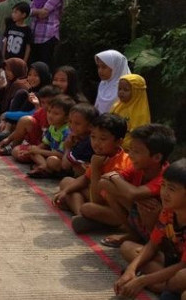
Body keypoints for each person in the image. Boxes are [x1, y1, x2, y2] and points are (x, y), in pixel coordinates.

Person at [91, 124, 175, 248]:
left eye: (136, 152)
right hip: (138, 213)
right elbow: (104, 182)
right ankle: (133, 234)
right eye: (130, 150)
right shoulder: (139, 167)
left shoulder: (165, 177)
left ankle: (152, 245)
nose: (130, 155)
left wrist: (114, 177)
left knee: (147, 207)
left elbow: (132, 193)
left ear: (157, 157)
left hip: (163, 229)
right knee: (108, 190)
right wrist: (135, 196)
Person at [114, 158, 186, 298]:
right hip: (172, 262)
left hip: (181, 268)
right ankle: (163, 286)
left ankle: (161, 285)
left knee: (182, 276)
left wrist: (142, 281)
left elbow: (182, 266)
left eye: (171, 189)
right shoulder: (168, 211)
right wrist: (130, 270)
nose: (164, 192)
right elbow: (152, 245)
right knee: (127, 247)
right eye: (163, 185)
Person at [54, 113, 131, 234]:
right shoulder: (101, 155)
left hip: (115, 211)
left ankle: (86, 215)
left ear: (118, 142)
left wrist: (95, 168)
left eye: (103, 139)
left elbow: (97, 201)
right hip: (96, 195)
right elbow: (85, 178)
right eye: (93, 137)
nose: (96, 143)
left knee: (88, 208)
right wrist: (65, 191)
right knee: (66, 182)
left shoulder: (121, 165)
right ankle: (84, 217)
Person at [6, 85, 62, 161]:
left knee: (52, 161)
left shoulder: (61, 119)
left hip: (52, 152)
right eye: (43, 102)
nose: (46, 106)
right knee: (16, 151)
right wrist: (8, 139)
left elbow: (57, 149)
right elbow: (44, 142)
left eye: (49, 103)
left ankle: (43, 164)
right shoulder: (41, 112)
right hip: (40, 145)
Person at [26, 94, 74, 178]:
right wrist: (34, 149)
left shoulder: (67, 132)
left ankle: (46, 169)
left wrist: (39, 151)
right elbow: (45, 144)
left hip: (61, 160)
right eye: (49, 111)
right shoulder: (52, 126)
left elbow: (60, 154)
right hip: (50, 154)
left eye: (56, 114)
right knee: (32, 149)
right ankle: (44, 167)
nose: (50, 115)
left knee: (52, 161)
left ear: (66, 118)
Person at [30, 0, 64, 65]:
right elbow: (30, 9)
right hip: (35, 35)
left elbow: (43, 14)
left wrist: (33, 11)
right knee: (34, 66)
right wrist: (35, 11)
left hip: (48, 36)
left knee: (45, 66)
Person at [110, 74, 151, 151]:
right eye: (119, 89)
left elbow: (138, 136)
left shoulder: (140, 114)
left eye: (126, 90)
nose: (121, 92)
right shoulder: (116, 106)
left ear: (137, 92)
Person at [60, 103, 99, 177]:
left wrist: (68, 148)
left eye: (77, 124)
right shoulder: (78, 137)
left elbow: (65, 165)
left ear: (90, 126)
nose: (72, 126)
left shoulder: (87, 142)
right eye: (70, 122)